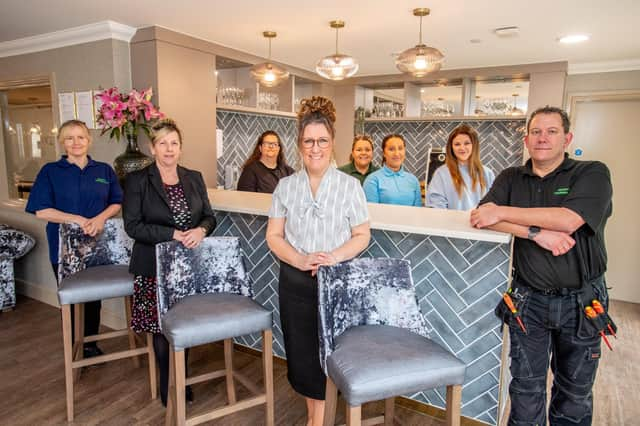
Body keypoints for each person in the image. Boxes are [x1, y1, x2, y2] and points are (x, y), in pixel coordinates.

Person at [470, 106, 613, 425]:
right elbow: (482, 217)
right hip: (528, 301)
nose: (542, 138)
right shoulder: (511, 177)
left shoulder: (592, 173)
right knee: (525, 389)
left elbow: (569, 219)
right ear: (526, 139)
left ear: (567, 138)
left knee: (574, 393)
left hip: (582, 302)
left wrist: (504, 211)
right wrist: (536, 234)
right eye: (535, 132)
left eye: (551, 131)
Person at [266, 96, 370, 426]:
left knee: (333, 358)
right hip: (295, 283)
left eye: (322, 140)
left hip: (336, 283)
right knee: (303, 357)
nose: (315, 148)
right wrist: (299, 258)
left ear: (332, 142)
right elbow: (274, 236)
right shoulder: (285, 186)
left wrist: (333, 256)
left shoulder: (351, 186)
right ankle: (315, 418)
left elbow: (362, 235)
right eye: (309, 141)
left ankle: (318, 421)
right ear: (299, 144)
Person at [122, 118, 216, 406]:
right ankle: (167, 383)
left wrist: (201, 230)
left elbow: (210, 217)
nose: (169, 148)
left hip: (186, 266)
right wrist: (172, 233)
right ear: (153, 148)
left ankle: (182, 376)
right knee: (161, 327)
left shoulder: (194, 177)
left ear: (181, 148)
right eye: (162, 143)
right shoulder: (138, 180)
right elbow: (133, 226)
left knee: (182, 324)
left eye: (174, 143)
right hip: (152, 266)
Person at [25, 119, 122, 358]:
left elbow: (116, 202)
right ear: (62, 142)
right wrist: (77, 219)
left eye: (80, 137)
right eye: (69, 138)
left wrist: (100, 218)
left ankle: (89, 343)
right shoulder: (50, 171)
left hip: (97, 244)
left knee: (93, 297)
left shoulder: (103, 171)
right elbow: (41, 210)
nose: (76, 142)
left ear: (89, 140)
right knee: (70, 297)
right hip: (63, 247)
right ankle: (72, 345)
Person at [426, 124, 495, 210]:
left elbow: (493, 206)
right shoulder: (441, 174)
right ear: (451, 148)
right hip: (450, 223)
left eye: (467, 143)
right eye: (457, 144)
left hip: (480, 223)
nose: (462, 148)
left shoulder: (487, 174)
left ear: (474, 145)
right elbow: (437, 206)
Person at [363, 134, 422, 206]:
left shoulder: (413, 180)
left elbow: (417, 212)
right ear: (384, 153)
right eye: (391, 149)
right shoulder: (372, 180)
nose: (397, 153)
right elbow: (372, 212)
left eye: (400, 148)